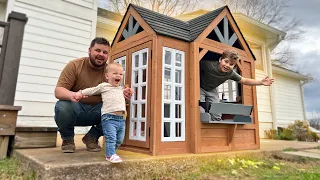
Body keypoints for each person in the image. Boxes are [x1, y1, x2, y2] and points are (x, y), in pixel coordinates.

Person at [54, 37, 133, 153]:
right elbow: (58, 91)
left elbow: (117, 94)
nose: (101, 54)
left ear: (108, 55)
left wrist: (125, 95)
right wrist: (73, 95)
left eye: (105, 52)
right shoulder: (75, 65)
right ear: (89, 50)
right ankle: (67, 139)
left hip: (99, 112)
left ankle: (92, 137)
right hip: (76, 109)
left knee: (119, 110)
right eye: (98, 50)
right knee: (63, 106)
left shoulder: (110, 72)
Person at [200, 49, 274, 121]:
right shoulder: (208, 65)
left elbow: (244, 80)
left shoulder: (230, 73)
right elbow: (193, 63)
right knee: (201, 111)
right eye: (226, 61)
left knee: (216, 114)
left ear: (234, 66)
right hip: (200, 87)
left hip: (212, 89)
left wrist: (261, 82)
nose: (227, 65)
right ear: (220, 60)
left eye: (231, 64)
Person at [74, 63, 126, 163]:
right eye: (115, 73)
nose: (118, 76)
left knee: (119, 139)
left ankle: (112, 152)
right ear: (107, 76)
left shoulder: (120, 88)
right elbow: (92, 90)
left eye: (121, 74)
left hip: (121, 119)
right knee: (111, 137)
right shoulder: (104, 86)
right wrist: (81, 93)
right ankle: (110, 155)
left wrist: (128, 92)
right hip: (109, 118)